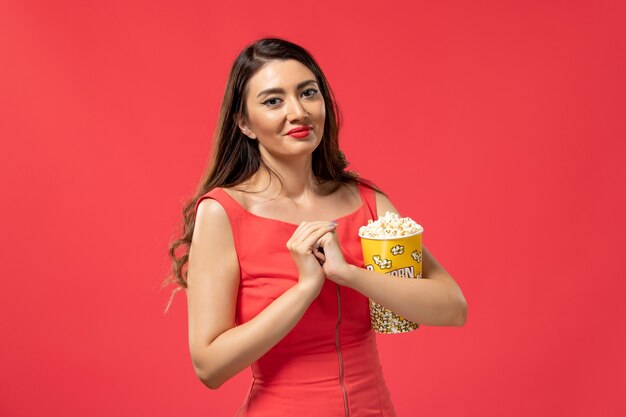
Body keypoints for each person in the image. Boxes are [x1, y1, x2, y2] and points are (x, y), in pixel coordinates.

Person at [164, 37, 467, 417]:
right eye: (273, 100)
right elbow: (209, 367)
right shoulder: (224, 213)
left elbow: (452, 308)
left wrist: (348, 274)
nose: (298, 111)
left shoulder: (367, 202)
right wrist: (306, 288)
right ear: (244, 122)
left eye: (308, 93)